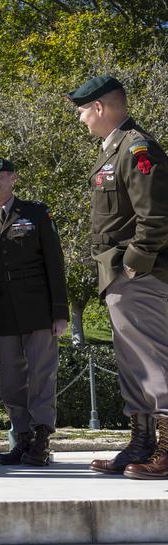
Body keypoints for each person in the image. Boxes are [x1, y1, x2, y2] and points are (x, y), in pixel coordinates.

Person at [67, 76, 168, 479]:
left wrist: (135, 263)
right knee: (132, 364)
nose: (80, 120)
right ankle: (143, 443)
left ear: (100, 108)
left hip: (138, 274)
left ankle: (166, 448)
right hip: (118, 274)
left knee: (152, 360)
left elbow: (157, 215)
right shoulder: (115, 149)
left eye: (82, 111)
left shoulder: (137, 147)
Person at [0, 157, 68, 467]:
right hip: (3, 312)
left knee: (41, 376)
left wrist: (60, 311)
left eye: (0, 175)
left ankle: (41, 440)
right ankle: (20, 439)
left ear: (13, 178)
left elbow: (54, 262)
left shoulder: (36, 213)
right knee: (11, 380)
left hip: (38, 307)